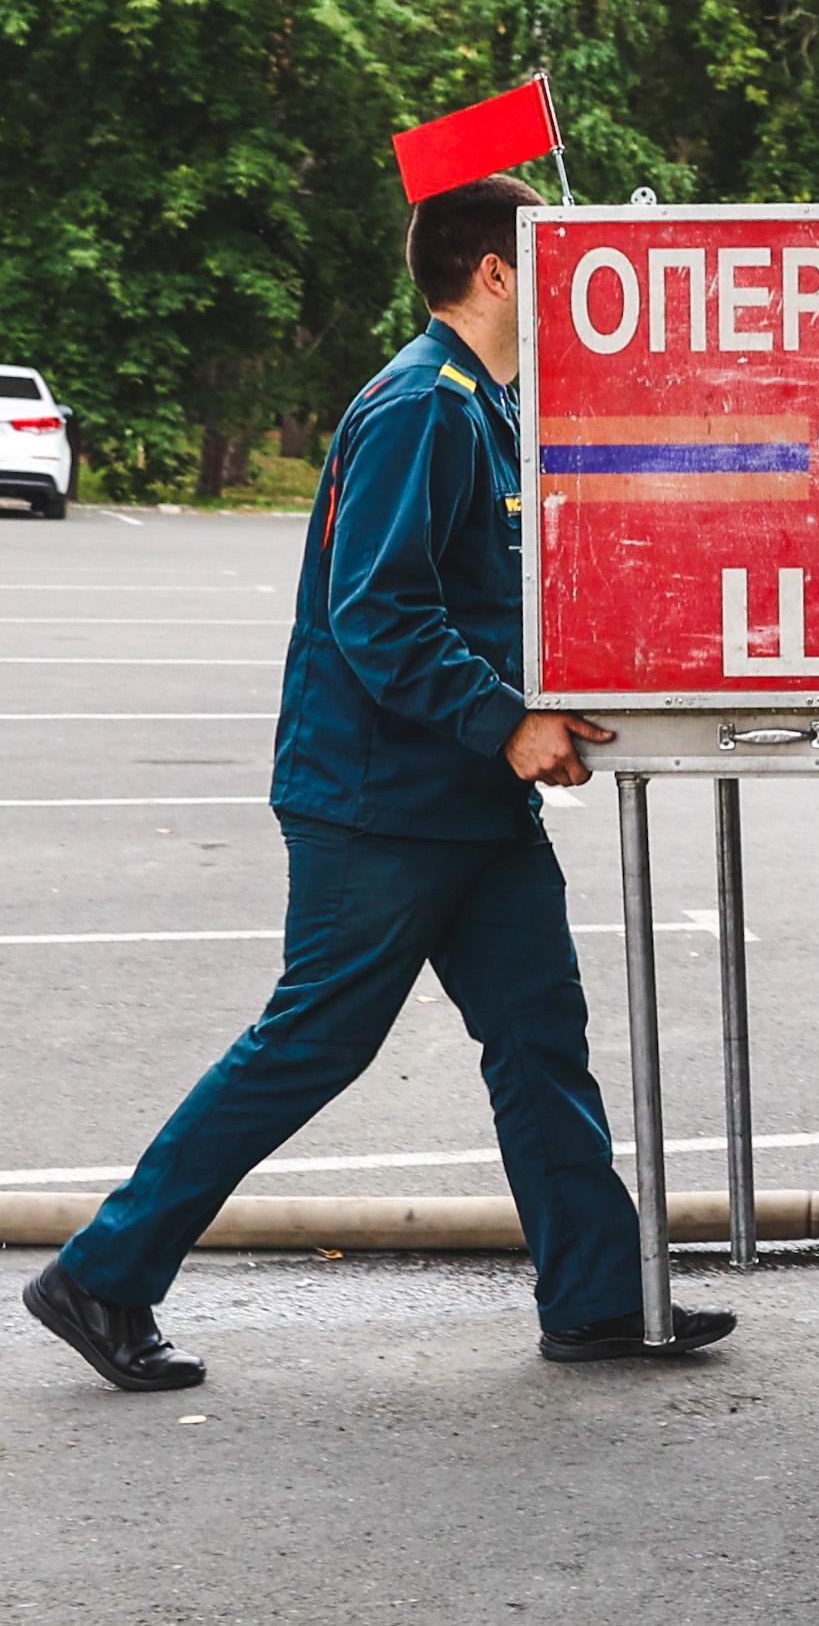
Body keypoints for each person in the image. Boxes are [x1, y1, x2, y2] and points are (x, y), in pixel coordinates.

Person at [20, 175, 734, 1392]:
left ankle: (600, 1299)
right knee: (312, 1044)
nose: (566, 280)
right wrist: (505, 722)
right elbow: (378, 610)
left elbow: (473, 598)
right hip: (379, 802)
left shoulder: (487, 409)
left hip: (464, 802)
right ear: (498, 272)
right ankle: (103, 1273)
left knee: (538, 1038)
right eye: (548, 257)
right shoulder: (420, 405)